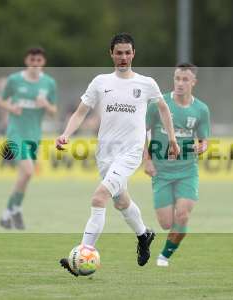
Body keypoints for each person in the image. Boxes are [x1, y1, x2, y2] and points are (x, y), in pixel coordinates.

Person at [56, 33, 179, 276]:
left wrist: (172, 139)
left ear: (133, 54)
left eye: (127, 53)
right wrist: (66, 134)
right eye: (119, 53)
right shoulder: (100, 82)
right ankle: (144, 235)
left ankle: (83, 254)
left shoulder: (146, 83)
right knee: (121, 201)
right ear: (111, 54)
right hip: (105, 153)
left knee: (99, 197)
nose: (123, 57)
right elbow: (81, 112)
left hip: (130, 152)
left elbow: (164, 109)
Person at [144, 63, 211, 267]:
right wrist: (146, 160)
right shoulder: (158, 103)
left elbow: (204, 139)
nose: (180, 83)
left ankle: (164, 256)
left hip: (187, 170)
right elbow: (141, 132)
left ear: (193, 82)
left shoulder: (201, 109)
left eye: (185, 79)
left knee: (182, 215)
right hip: (161, 171)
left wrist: (202, 147)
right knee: (165, 223)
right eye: (177, 79)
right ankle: (167, 235)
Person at [0, 47, 58, 230]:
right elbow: (0, 100)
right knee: (29, 171)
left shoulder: (49, 83)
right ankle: (11, 210)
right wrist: (11, 108)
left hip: (34, 136)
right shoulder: (14, 80)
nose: (35, 64)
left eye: (39, 60)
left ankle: (11, 211)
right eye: (32, 60)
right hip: (15, 134)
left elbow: (54, 112)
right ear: (26, 61)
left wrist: (46, 104)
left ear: (43, 63)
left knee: (24, 176)